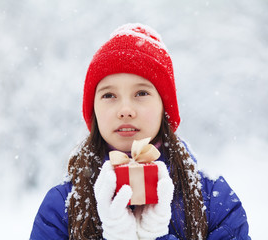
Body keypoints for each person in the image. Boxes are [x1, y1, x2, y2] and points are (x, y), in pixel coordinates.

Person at [30, 23, 251, 240]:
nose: (125, 110)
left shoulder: (213, 200)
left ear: (164, 107)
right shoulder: (61, 206)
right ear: (94, 110)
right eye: (109, 95)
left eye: (141, 93)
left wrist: (154, 237)